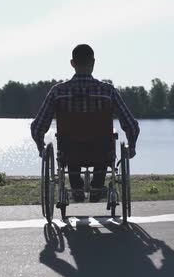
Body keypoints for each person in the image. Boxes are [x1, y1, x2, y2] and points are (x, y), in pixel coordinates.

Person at [30, 44, 140, 202]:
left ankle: (76, 187)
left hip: (69, 152)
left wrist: (41, 147)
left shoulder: (58, 92)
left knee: (72, 144)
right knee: (102, 145)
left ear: (72, 63)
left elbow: (37, 127)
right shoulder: (108, 91)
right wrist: (132, 146)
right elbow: (131, 124)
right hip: (102, 151)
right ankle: (97, 185)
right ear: (93, 62)